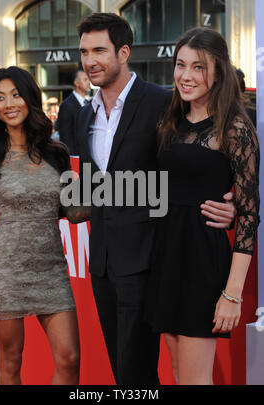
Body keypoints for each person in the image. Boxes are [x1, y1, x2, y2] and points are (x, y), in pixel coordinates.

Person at [76, 13, 236, 385]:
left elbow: (200, 155)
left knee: (140, 370)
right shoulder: (84, 116)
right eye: (84, 52)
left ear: (124, 52)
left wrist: (229, 202)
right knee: (122, 370)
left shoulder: (164, 102)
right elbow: (88, 189)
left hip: (149, 256)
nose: (90, 61)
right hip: (101, 261)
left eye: (99, 50)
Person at [144, 27, 260, 385]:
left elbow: (250, 216)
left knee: (195, 380)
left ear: (218, 71)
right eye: (181, 65)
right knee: (179, 375)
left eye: (199, 67)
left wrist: (232, 294)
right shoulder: (168, 121)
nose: (186, 75)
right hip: (166, 255)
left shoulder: (235, 128)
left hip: (202, 260)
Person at [0, 66, 90, 385]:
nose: (8, 103)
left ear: (30, 99)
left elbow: (73, 212)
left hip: (51, 270)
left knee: (70, 358)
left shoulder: (56, 153)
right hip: (4, 273)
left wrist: (101, 192)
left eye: (16, 94)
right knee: (10, 361)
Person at [57, 70, 91, 156]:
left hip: (89, 157)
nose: (89, 82)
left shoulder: (89, 103)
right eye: (85, 79)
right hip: (76, 158)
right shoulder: (67, 105)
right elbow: (66, 137)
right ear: (76, 83)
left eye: (88, 79)